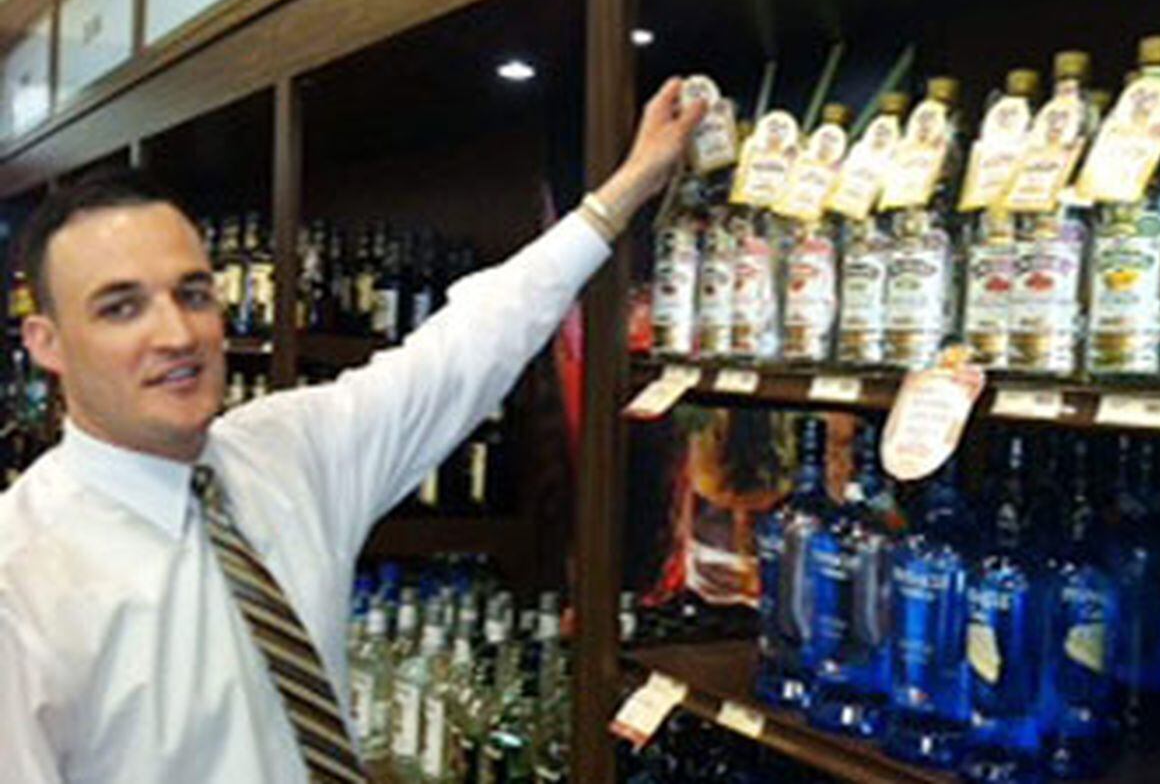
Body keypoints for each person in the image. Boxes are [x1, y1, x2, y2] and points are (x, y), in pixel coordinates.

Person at [0, 78, 705, 783]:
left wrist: (625, 192)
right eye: (121, 308)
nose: (177, 335)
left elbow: (463, 349)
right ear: (46, 343)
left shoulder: (284, 451)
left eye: (193, 294)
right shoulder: (20, 580)